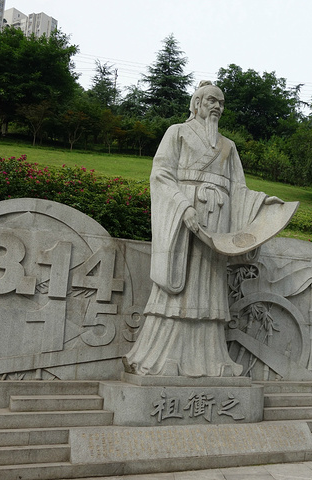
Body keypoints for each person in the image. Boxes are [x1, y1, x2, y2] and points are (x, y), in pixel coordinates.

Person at [123, 81, 283, 377]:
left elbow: (239, 189)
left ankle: (213, 361)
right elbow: (161, 175)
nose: (217, 107)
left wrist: (261, 204)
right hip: (185, 220)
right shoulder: (177, 132)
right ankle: (163, 359)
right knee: (180, 288)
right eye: (211, 100)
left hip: (217, 223)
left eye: (221, 103)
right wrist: (183, 207)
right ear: (196, 103)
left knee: (209, 287)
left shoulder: (228, 146)